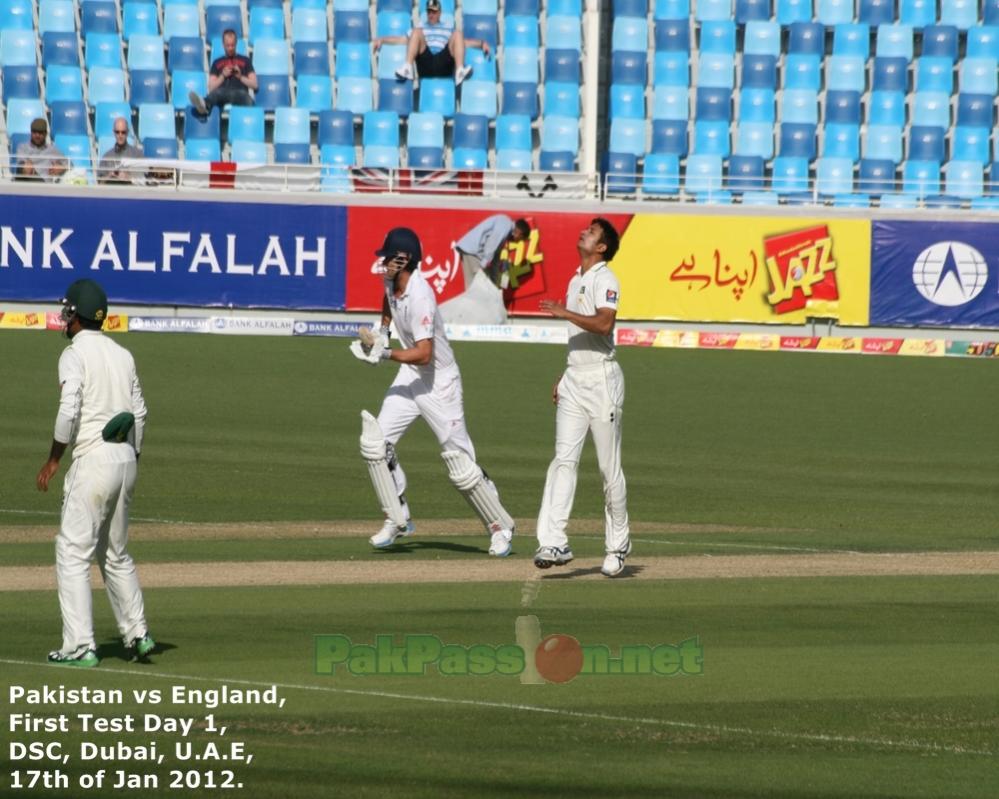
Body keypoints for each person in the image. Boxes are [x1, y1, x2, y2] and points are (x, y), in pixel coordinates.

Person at [349, 227, 516, 557]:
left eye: (388, 256)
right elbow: (388, 301)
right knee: (375, 443)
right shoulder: (391, 282)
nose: (382, 262)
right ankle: (397, 518)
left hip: (440, 382)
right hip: (411, 375)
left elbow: (425, 353)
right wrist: (382, 334)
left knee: (461, 465)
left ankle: (500, 526)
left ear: (404, 259)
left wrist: (383, 354)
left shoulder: (422, 295)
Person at [36, 279, 154, 667]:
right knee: (115, 553)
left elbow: (69, 409)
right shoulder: (123, 354)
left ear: (76, 315)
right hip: (125, 460)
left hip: (92, 461)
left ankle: (80, 646)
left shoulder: (74, 353)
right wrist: (130, 454)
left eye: (68, 309)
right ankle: (138, 634)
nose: (64, 314)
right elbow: (139, 413)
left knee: (72, 552)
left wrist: (54, 458)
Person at [533, 218, 631, 578]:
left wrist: (563, 312)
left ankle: (618, 546)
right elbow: (579, 337)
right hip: (575, 378)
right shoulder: (576, 278)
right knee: (563, 459)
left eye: (591, 232)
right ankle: (554, 540)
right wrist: (566, 372)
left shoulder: (606, 278)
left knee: (608, 469)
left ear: (602, 247)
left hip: (602, 381)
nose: (583, 233)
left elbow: (604, 324)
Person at [441, 215, 531, 325]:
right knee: (474, 287)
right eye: (520, 240)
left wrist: (498, 272)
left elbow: (495, 253)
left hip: (476, 254)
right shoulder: (505, 224)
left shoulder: (506, 228)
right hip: (473, 253)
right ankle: (468, 322)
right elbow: (491, 245)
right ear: (518, 233)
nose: (517, 243)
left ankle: (472, 319)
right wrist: (483, 265)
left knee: (481, 287)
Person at [374, 0, 488, 86]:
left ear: (439, 13)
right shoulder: (421, 27)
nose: (431, 14)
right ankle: (407, 68)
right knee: (416, 32)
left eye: (434, 11)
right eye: (429, 11)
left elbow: (462, 43)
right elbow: (402, 40)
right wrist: (382, 39)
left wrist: (481, 43)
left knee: (458, 34)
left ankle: (459, 71)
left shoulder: (448, 27)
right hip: (426, 62)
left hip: (443, 62)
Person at [189, 28, 257, 115]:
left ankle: (253, 116)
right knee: (217, 93)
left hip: (240, 92)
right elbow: (211, 88)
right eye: (228, 45)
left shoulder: (245, 60)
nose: (230, 48)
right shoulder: (217, 62)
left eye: (232, 45)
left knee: (246, 97)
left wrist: (241, 77)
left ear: (236, 44)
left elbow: (254, 85)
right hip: (223, 93)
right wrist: (222, 76)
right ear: (223, 45)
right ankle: (204, 106)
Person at [15, 117, 68, 183]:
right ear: (31, 133)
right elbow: (22, 165)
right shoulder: (22, 147)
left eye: (40, 133)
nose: (37, 135)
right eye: (34, 132)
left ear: (45, 134)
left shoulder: (53, 150)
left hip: (44, 186)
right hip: (27, 181)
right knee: (24, 167)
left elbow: (69, 165)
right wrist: (25, 167)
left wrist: (61, 168)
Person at [97, 117, 144, 184]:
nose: (120, 135)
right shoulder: (107, 156)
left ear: (127, 132)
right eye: (117, 132)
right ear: (114, 133)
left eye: (123, 132)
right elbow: (99, 181)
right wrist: (110, 176)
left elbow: (143, 179)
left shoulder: (137, 154)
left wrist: (128, 178)